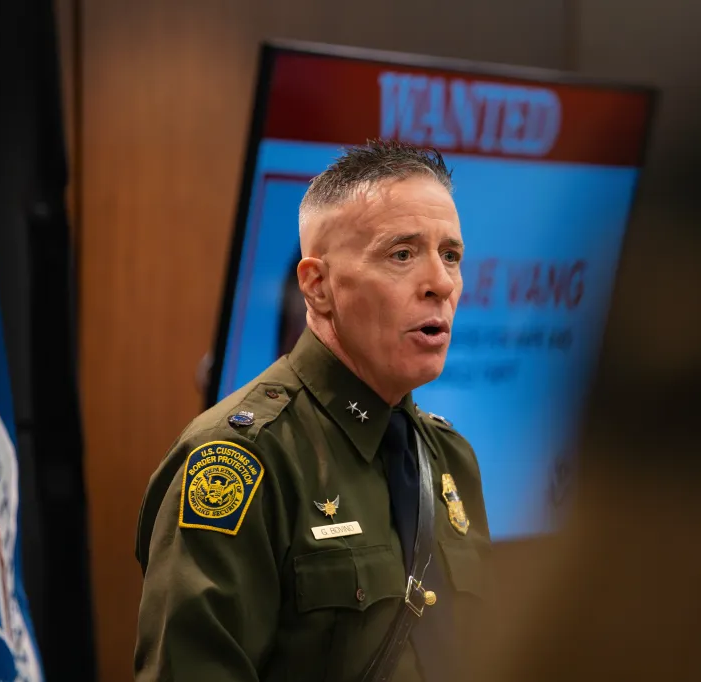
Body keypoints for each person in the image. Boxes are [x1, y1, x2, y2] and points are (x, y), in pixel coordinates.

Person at [133, 140, 490, 682]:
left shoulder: (451, 459)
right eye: (402, 254)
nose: (441, 283)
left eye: (451, 256)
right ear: (318, 286)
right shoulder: (241, 460)